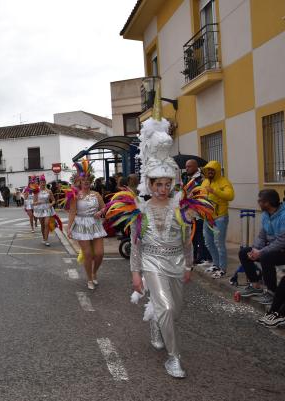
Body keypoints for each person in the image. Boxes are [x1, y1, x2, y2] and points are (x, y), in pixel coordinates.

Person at [105, 94, 212, 379]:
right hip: (151, 261)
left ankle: (156, 323)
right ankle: (174, 358)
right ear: (149, 184)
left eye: (167, 184)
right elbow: (137, 246)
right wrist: (136, 274)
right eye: (158, 184)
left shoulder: (183, 207)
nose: (163, 189)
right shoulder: (139, 209)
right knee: (165, 306)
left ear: (172, 184)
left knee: (173, 311)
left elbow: (188, 239)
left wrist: (188, 265)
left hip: (176, 262)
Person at [238, 190, 285, 305]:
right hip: (272, 248)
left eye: (260, 201)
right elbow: (262, 236)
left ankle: (272, 292)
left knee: (266, 257)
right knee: (244, 253)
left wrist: (261, 252)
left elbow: (283, 241)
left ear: (268, 202)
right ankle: (255, 285)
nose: (258, 202)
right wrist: (254, 250)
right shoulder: (265, 215)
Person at [67, 160, 106, 290]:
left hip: (95, 224)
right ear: (79, 181)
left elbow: (104, 208)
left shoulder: (97, 194)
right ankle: (89, 278)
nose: (86, 181)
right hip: (81, 225)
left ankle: (95, 272)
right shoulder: (75, 196)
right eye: (83, 179)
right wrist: (69, 228)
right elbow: (72, 212)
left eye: (88, 179)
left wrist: (100, 212)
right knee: (88, 254)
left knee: (99, 253)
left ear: (91, 181)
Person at [201, 160, 234, 278]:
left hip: (220, 217)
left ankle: (223, 268)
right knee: (208, 242)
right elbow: (200, 195)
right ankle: (215, 264)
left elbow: (230, 196)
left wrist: (215, 191)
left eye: (212, 170)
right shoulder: (204, 182)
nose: (209, 172)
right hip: (207, 217)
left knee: (219, 243)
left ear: (217, 171)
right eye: (208, 170)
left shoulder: (224, 182)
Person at [184, 159, 211, 266]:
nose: (187, 169)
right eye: (186, 167)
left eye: (189, 166)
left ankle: (202, 256)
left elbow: (199, 192)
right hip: (190, 210)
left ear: (196, 167)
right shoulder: (188, 178)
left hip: (199, 210)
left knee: (200, 235)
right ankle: (194, 255)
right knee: (193, 235)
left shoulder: (200, 179)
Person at [33, 175, 56, 246]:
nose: (43, 183)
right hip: (39, 209)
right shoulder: (36, 191)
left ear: (45, 183)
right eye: (41, 182)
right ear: (39, 183)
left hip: (47, 208)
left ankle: (46, 240)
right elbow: (33, 203)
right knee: (42, 225)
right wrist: (38, 202)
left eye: (44, 182)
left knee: (46, 224)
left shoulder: (49, 191)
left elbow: (53, 200)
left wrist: (51, 204)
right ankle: (44, 238)